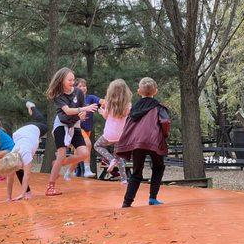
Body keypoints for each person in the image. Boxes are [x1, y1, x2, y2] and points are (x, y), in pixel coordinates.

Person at [115, 77, 171, 207]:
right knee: (158, 167)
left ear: (139, 91)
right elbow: (166, 121)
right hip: (153, 142)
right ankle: (152, 198)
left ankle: (127, 202)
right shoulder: (159, 107)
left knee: (136, 172)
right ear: (155, 91)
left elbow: (128, 126)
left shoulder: (134, 109)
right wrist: (164, 134)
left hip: (137, 144)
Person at [45, 67, 98, 196]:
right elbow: (68, 111)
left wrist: (83, 114)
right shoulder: (58, 95)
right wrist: (84, 108)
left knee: (84, 153)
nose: (72, 82)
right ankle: (50, 187)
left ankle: (59, 163)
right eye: (69, 80)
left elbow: (81, 111)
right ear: (61, 80)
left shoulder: (78, 92)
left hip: (75, 125)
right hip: (61, 125)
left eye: (73, 79)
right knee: (62, 154)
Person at [0, 103, 49, 201]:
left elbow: (27, 174)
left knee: (45, 124)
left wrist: (22, 194)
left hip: (34, 128)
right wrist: (8, 198)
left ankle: (31, 106)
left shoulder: (25, 153)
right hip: (22, 133)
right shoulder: (12, 155)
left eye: (17, 167)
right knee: (17, 170)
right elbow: (10, 178)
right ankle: (27, 192)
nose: (18, 168)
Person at [94, 79, 132, 184]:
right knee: (119, 157)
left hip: (109, 134)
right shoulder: (128, 105)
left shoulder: (109, 104)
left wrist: (102, 112)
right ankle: (124, 180)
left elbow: (107, 116)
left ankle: (110, 159)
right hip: (121, 135)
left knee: (97, 145)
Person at [65, 78, 104, 179]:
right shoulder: (73, 100)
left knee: (79, 154)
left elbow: (101, 101)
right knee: (88, 144)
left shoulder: (90, 98)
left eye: (84, 86)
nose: (83, 88)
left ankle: (69, 171)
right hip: (77, 128)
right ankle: (86, 169)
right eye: (80, 86)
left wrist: (110, 102)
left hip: (87, 129)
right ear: (75, 88)